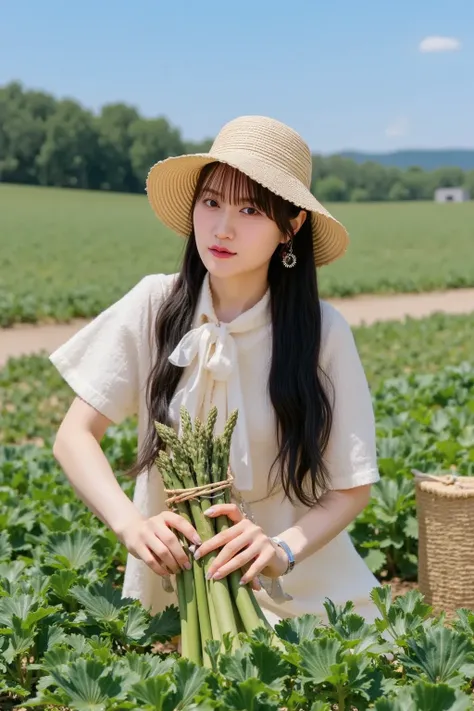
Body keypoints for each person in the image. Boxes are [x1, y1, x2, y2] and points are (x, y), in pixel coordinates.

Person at [49, 114, 382, 629]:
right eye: (212, 202)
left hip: (304, 590)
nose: (223, 228)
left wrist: (280, 551)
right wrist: (131, 525)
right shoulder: (155, 305)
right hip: (178, 593)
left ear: (290, 226)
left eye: (250, 208)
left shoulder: (322, 332)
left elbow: (350, 486)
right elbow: (74, 436)